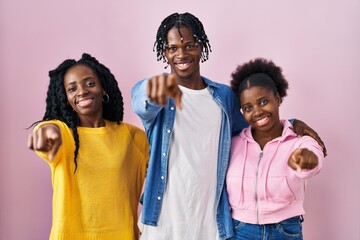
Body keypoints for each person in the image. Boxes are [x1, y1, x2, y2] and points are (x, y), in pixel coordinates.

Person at [131, 12, 326, 240]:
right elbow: (141, 103)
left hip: (210, 222)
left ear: (201, 47)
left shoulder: (222, 97)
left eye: (189, 46)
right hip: (163, 220)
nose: (181, 54)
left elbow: (256, 124)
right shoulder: (160, 93)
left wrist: (291, 124)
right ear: (164, 52)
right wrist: (156, 87)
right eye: (173, 48)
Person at [27, 53, 149, 240]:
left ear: (104, 89)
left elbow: (166, 169)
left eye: (90, 83)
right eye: (72, 88)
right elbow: (43, 137)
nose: (82, 91)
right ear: (66, 98)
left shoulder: (131, 136)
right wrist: (45, 133)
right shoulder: (64, 134)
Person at [226, 58, 325, 240]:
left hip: (285, 230)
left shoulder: (298, 141)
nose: (257, 112)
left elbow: (314, 155)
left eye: (263, 102)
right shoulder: (232, 143)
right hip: (239, 231)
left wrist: (308, 160)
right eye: (248, 107)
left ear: (278, 98)